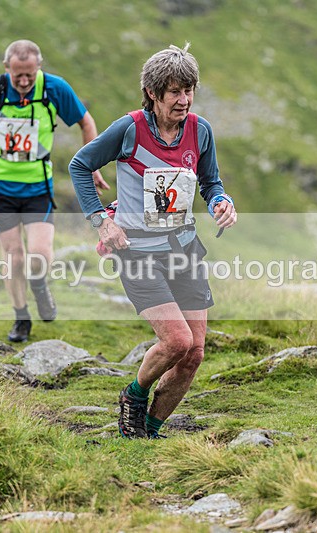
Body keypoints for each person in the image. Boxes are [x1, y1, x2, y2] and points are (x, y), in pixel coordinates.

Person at [68, 43, 237, 438]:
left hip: (185, 250)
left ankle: (150, 430)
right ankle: (134, 396)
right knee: (176, 341)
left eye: (189, 90)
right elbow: (80, 165)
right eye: (175, 92)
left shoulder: (200, 130)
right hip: (139, 253)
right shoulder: (128, 129)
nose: (184, 100)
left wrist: (221, 202)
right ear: (153, 93)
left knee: (194, 353)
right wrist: (101, 223)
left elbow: (211, 182)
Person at [0, 39, 109, 342]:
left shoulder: (54, 88)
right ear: (6, 68)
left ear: (39, 67)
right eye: (17, 75)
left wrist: (92, 165)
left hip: (38, 184)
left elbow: (86, 123)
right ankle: (21, 317)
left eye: (29, 74)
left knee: (39, 254)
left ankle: (39, 285)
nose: (23, 82)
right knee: (13, 256)